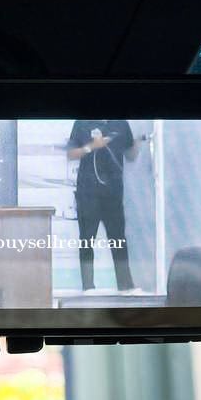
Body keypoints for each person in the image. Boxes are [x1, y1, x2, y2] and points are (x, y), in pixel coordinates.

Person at [66, 120, 138, 291]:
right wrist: (91, 146)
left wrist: (139, 143)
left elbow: (130, 155)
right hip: (88, 192)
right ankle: (88, 287)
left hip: (113, 192)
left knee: (118, 239)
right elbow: (71, 154)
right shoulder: (82, 123)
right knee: (87, 240)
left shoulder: (121, 124)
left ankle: (126, 286)